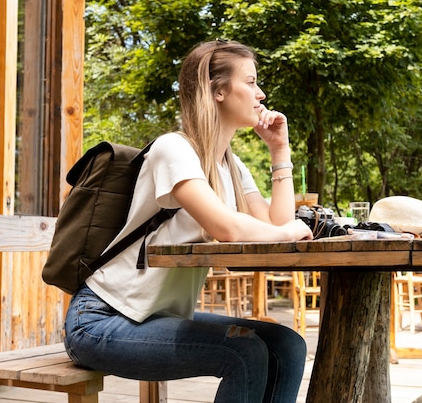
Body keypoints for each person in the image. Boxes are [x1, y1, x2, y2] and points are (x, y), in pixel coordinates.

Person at [63, 40, 314, 403]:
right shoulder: (173, 149)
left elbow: (277, 222)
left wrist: (280, 150)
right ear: (218, 91)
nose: (260, 94)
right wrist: (287, 231)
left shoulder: (230, 163)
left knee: (286, 344)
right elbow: (228, 229)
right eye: (251, 81)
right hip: (101, 321)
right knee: (243, 353)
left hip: (154, 317)